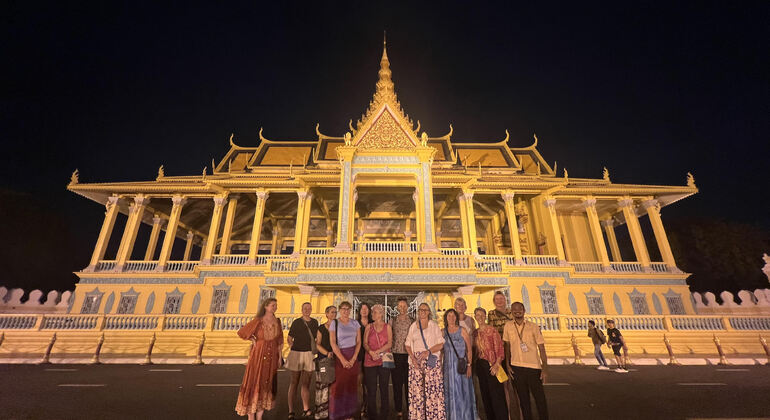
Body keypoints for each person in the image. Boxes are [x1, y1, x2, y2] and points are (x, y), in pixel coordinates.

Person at [235, 298, 284, 420]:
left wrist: (280, 357)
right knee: (254, 380)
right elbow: (242, 332)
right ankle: (251, 414)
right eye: (273, 305)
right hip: (259, 354)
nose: (275, 307)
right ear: (266, 307)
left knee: (267, 382)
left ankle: (260, 415)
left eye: (276, 305)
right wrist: (252, 339)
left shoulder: (277, 321)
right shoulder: (258, 321)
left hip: (272, 354)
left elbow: (279, 341)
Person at [503, 302, 549, 420]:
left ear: (524, 310)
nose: (517, 311)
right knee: (523, 401)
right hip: (516, 367)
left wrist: (544, 369)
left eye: (519, 309)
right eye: (514, 309)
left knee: (540, 399)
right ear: (511, 312)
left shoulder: (533, 327)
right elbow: (507, 346)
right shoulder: (508, 326)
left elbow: (542, 348)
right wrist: (507, 364)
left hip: (533, 367)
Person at [405, 302, 446, 420]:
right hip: (416, 361)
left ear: (429, 312)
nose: (422, 312)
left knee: (432, 389)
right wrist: (412, 357)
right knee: (417, 390)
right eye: (420, 310)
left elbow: (441, 343)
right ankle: (418, 416)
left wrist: (428, 351)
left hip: (431, 359)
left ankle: (434, 416)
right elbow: (407, 344)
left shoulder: (434, 325)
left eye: (425, 310)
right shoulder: (413, 326)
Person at [487, 291, 520, 420]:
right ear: (494, 301)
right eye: (497, 299)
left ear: (505, 300)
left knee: (518, 387)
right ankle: (508, 415)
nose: (499, 301)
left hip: (514, 352)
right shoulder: (491, 314)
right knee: (505, 385)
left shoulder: (512, 313)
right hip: (500, 353)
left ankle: (522, 414)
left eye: (501, 298)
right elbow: (491, 332)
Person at [473, 308, 509, 420]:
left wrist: (497, 364)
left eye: (481, 315)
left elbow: (499, 348)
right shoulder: (475, 333)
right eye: (477, 315)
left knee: (497, 395)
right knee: (485, 394)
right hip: (480, 365)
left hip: (492, 364)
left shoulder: (492, 330)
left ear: (485, 316)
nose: (479, 317)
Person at [329, 301, 361, 420]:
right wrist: (342, 359)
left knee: (351, 385)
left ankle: (349, 414)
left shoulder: (355, 323)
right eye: (343, 309)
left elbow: (359, 342)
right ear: (339, 310)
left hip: (353, 355)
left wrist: (354, 358)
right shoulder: (334, 323)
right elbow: (333, 342)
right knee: (339, 385)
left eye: (348, 309)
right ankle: (337, 414)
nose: (346, 311)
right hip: (340, 355)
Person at [287, 302, 319, 420]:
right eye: (305, 308)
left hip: (309, 354)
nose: (307, 310)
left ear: (311, 310)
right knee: (294, 382)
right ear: (301, 309)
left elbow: (317, 338)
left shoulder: (315, 322)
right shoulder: (296, 322)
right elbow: (289, 338)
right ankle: (291, 410)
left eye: (309, 308)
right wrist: (293, 348)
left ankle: (306, 409)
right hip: (297, 353)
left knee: (306, 383)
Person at [443, 308, 475, 420]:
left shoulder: (462, 330)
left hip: (460, 367)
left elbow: (469, 350)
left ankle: (463, 416)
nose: (451, 318)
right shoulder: (443, 332)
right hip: (448, 368)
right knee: (449, 393)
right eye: (449, 316)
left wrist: (469, 365)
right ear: (446, 318)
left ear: (456, 317)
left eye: (453, 315)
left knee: (462, 392)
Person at [363, 304, 393, 420]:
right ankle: (372, 414)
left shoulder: (388, 327)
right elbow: (365, 343)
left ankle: (384, 413)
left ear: (381, 314)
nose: (373, 314)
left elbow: (390, 343)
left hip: (385, 359)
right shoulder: (368, 327)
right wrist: (371, 352)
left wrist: (377, 352)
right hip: (370, 360)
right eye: (372, 312)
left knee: (384, 388)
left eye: (375, 312)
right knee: (371, 389)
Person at [389, 297, 412, 418]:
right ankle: (398, 408)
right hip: (396, 355)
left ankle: (410, 407)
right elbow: (389, 338)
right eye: (400, 306)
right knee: (397, 383)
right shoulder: (393, 320)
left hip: (409, 355)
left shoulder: (412, 320)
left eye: (404, 306)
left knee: (409, 383)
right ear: (397, 308)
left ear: (407, 307)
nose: (402, 308)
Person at [315, 305, 337, 420]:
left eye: (335, 312)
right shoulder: (321, 328)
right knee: (322, 386)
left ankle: (333, 411)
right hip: (323, 359)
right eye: (332, 312)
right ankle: (322, 412)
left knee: (334, 386)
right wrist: (327, 353)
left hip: (335, 360)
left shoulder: (338, 327)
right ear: (326, 314)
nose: (334, 314)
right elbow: (317, 343)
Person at [356, 302, 373, 418]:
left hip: (370, 355)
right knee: (358, 382)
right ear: (359, 311)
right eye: (362, 308)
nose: (364, 310)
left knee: (368, 383)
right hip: (358, 355)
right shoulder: (354, 323)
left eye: (366, 308)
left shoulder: (373, 324)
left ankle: (367, 406)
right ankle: (360, 405)